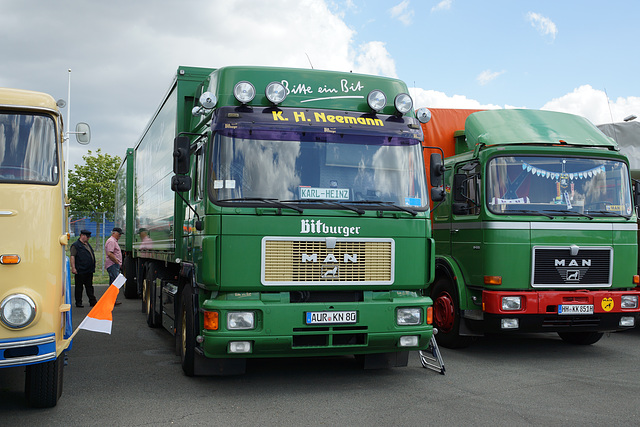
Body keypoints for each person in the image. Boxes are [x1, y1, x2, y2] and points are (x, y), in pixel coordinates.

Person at [70, 229, 96, 308]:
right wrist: (73, 268)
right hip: (80, 269)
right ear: (82, 236)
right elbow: (72, 257)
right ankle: (78, 302)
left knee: (89, 287)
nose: (88, 238)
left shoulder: (87, 244)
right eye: (87, 237)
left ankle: (92, 301)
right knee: (79, 287)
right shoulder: (76, 245)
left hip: (88, 270)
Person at [105, 227, 123, 305]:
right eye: (119, 234)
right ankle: (112, 300)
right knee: (115, 283)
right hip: (113, 265)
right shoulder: (111, 241)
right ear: (114, 233)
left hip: (113, 265)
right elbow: (110, 254)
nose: (120, 236)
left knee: (113, 283)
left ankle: (112, 300)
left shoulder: (113, 241)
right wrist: (117, 262)